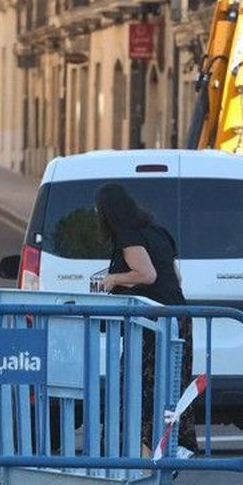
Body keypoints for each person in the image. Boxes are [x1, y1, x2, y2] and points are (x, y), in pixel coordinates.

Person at [93, 183, 195, 454]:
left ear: (107, 211)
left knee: (141, 389)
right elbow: (176, 278)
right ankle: (171, 450)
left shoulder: (128, 236)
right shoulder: (159, 232)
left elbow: (147, 274)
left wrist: (114, 278)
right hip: (179, 318)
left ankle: (146, 455)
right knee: (173, 387)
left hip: (153, 323)